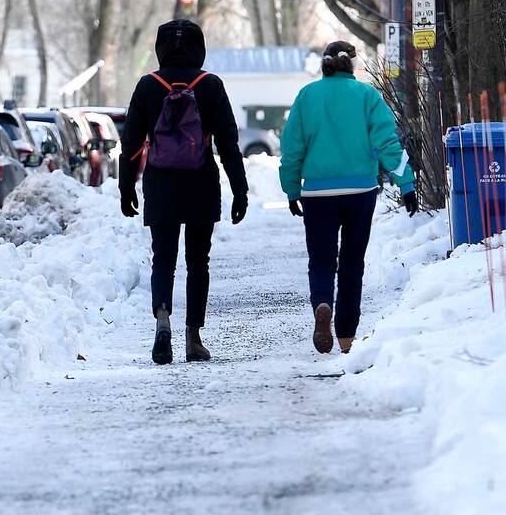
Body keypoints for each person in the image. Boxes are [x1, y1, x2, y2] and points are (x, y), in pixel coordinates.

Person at [119, 19, 248, 365]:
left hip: (160, 183)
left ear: (161, 48)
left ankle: (163, 318)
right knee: (198, 262)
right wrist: (240, 190)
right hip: (200, 182)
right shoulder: (210, 85)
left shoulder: (148, 85)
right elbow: (229, 143)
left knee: (163, 258)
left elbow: (131, 142)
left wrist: (125, 185)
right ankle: (194, 336)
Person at [279, 40, 417, 355]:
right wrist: (406, 184)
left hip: (317, 192)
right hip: (360, 191)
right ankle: (346, 338)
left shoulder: (307, 96)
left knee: (322, 261)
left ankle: (323, 304)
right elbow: (387, 143)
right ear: (351, 64)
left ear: (324, 65)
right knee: (352, 263)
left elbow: (292, 149)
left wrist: (291, 189)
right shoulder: (368, 96)